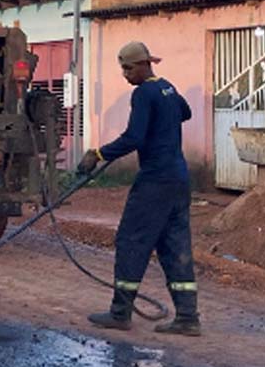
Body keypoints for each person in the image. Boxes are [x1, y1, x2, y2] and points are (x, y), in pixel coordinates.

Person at [77, 41, 200, 336]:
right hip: (178, 180)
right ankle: (187, 317)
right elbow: (185, 112)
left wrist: (97, 154)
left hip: (154, 181)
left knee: (132, 241)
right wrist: (162, 124)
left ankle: (120, 313)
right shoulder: (167, 88)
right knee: (175, 246)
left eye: (129, 68)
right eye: (123, 68)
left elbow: (134, 137)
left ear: (144, 65)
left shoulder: (143, 93)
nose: (125, 74)